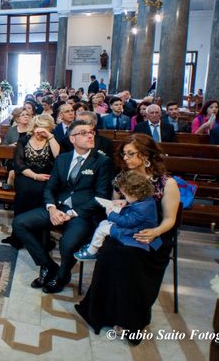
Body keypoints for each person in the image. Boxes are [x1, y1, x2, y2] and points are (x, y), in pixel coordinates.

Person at [75, 134, 180, 342]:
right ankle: (104, 312)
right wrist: (118, 205)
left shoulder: (166, 183)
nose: (126, 158)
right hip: (126, 227)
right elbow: (117, 206)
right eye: (124, 154)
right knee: (110, 252)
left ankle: (132, 319)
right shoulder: (122, 177)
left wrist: (155, 232)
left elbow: (170, 219)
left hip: (153, 234)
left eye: (131, 154)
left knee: (130, 257)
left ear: (146, 155)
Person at [12, 120, 113, 293]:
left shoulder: (102, 161)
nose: (90, 135)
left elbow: (101, 197)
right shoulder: (63, 159)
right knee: (19, 223)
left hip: (82, 213)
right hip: (58, 207)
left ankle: (62, 274)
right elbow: (50, 187)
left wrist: (72, 213)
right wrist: (51, 208)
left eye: (91, 132)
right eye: (83, 132)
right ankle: (47, 264)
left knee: (67, 243)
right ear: (72, 139)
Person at [74, 171, 161, 260]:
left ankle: (92, 251)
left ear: (135, 194)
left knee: (102, 230)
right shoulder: (144, 200)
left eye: (126, 195)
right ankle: (95, 244)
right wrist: (126, 202)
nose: (124, 197)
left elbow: (127, 222)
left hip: (135, 232)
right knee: (104, 223)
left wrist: (111, 214)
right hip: (134, 226)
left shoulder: (142, 208)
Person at [3, 114, 60, 248]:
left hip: (47, 175)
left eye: (46, 129)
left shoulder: (52, 140)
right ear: (34, 127)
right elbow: (19, 165)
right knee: (26, 191)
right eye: (40, 128)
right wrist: (35, 176)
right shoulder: (24, 140)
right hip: (26, 174)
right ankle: (19, 236)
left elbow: (59, 158)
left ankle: (41, 238)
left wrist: (50, 137)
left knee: (44, 192)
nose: (42, 132)